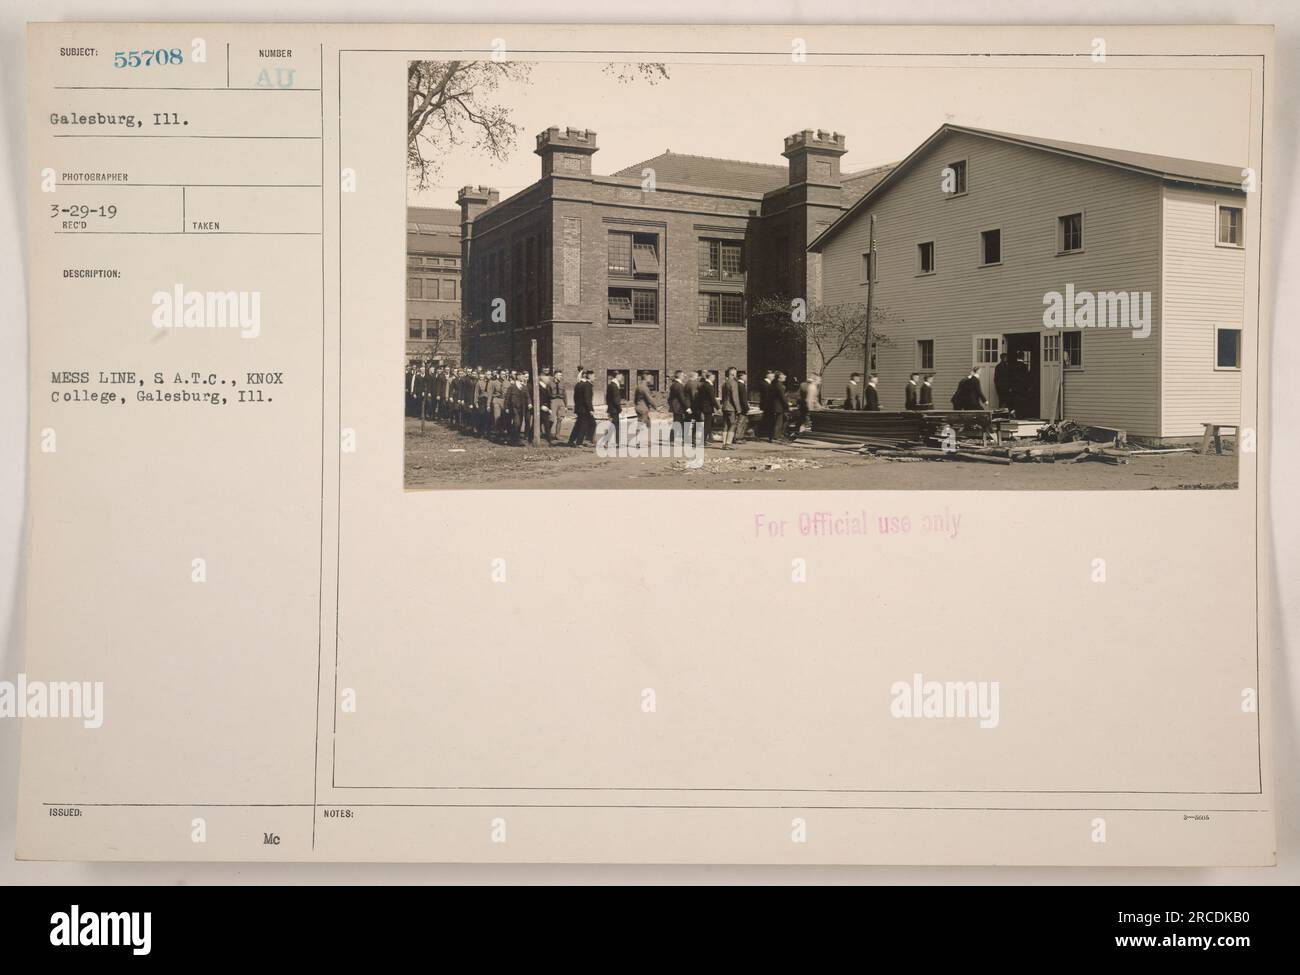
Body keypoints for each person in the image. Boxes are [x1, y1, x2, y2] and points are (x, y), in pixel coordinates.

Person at [569, 370, 595, 446]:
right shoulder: (587, 385)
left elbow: (575, 397)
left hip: (579, 408)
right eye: (593, 376)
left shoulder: (578, 385)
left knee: (578, 425)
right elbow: (587, 398)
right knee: (590, 424)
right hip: (585, 409)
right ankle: (583, 441)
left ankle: (571, 440)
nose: (595, 378)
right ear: (588, 376)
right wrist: (590, 409)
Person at [692, 368, 718, 445]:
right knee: (707, 424)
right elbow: (712, 398)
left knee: (704, 424)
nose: (714, 379)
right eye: (714, 377)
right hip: (707, 407)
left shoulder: (702, 385)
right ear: (710, 377)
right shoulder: (709, 386)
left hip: (702, 407)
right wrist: (718, 407)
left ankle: (704, 439)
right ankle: (703, 441)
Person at [721, 367, 744, 449]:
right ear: (733, 373)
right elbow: (735, 397)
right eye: (736, 372)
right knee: (733, 425)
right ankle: (728, 444)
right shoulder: (734, 383)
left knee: (725, 425)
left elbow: (723, 397)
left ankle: (723, 444)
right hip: (731, 408)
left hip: (724, 407)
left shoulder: (724, 383)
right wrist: (738, 409)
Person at [667, 369, 690, 445]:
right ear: (679, 376)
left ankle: (673, 440)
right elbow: (682, 398)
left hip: (675, 407)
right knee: (680, 423)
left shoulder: (673, 385)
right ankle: (682, 440)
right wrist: (687, 407)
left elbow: (670, 398)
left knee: (677, 423)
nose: (684, 376)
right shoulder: (679, 385)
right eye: (683, 375)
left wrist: (671, 405)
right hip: (679, 407)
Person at [633, 373, 655, 445]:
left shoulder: (638, 386)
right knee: (641, 424)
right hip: (643, 408)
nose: (651, 379)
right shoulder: (644, 387)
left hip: (639, 407)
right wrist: (655, 407)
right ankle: (638, 442)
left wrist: (637, 405)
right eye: (650, 377)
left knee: (648, 422)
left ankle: (648, 440)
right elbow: (649, 399)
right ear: (646, 378)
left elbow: (635, 399)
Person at [604, 371, 624, 448]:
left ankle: (608, 442)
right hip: (615, 410)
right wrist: (620, 409)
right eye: (621, 376)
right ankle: (616, 443)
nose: (622, 378)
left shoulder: (610, 385)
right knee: (615, 427)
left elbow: (607, 398)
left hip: (611, 409)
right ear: (617, 376)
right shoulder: (615, 386)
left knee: (612, 426)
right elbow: (616, 400)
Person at [767, 371, 789, 441]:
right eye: (784, 375)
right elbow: (783, 397)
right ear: (779, 377)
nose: (785, 376)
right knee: (778, 422)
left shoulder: (773, 384)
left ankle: (774, 436)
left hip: (772, 406)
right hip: (778, 407)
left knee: (776, 421)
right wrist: (787, 406)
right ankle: (776, 437)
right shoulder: (779, 385)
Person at [549, 370, 567, 444]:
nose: (561, 377)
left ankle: (557, 435)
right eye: (559, 375)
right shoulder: (550, 383)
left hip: (561, 401)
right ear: (555, 375)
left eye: (561, 375)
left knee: (560, 419)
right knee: (551, 419)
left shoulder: (562, 384)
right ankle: (548, 434)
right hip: (553, 401)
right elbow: (548, 393)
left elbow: (565, 395)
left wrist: (566, 405)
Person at [735, 370, 751, 442]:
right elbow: (743, 398)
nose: (746, 377)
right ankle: (737, 437)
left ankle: (740, 437)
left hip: (741, 407)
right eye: (745, 376)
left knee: (742, 422)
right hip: (742, 407)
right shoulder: (740, 385)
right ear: (741, 376)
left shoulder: (740, 385)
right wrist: (746, 407)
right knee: (741, 422)